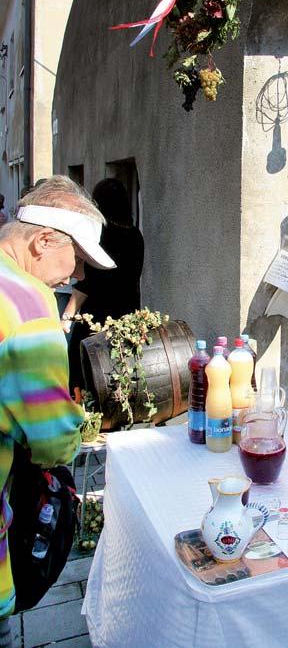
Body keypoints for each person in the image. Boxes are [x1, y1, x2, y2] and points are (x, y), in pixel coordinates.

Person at [0, 175, 115, 644]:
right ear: (44, 241)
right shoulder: (28, 304)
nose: (79, 277)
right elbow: (52, 442)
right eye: (79, 261)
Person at [63, 178, 144, 391]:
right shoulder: (136, 235)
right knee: (119, 370)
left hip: (97, 315)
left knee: (87, 375)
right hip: (127, 312)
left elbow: (87, 282)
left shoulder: (100, 235)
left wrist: (68, 314)